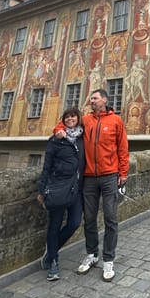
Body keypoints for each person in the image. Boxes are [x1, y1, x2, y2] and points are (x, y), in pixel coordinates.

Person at [55, 88, 129, 282]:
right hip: (89, 177)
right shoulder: (86, 120)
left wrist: (123, 173)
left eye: (95, 98)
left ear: (104, 99)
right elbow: (65, 124)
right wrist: (59, 131)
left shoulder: (115, 121)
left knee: (111, 219)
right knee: (89, 219)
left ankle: (109, 259)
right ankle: (92, 254)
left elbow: (122, 148)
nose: (91, 101)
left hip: (109, 176)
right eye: (91, 98)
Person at [37, 107, 85, 281]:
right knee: (54, 225)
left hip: (76, 189)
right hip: (58, 187)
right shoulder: (55, 140)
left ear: (78, 118)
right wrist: (42, 190)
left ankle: (51, 251)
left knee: (74, 223)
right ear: (63, 120)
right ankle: (53, 262)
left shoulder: (81, 138)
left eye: (73, 116)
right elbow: (46, 166)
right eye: (67, 117)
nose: (70, 119)